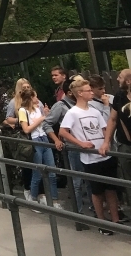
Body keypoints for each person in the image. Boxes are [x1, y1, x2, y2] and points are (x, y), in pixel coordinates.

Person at [60, 77, 121, 234]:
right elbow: (62, 131)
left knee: (111, 189)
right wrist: (80, 143)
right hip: (91, 158)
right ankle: (102, 223)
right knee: (97, 191)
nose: (91, 92)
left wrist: (106, 143)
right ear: (80, 93)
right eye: (88, 90)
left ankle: (116, 221)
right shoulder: (73, 112)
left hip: (105, 154)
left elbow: (104, 128)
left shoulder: (94, 111)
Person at [47, 76, 91, 215]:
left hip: (87, 146)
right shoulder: (61, 106)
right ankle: (78, 213)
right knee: (77, 180)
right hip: (73, 148)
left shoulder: (84, 104)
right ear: (72, 92)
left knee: (90, 178)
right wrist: (56, 140)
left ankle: (93, 208)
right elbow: (47, 124)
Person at [17, 83, 61, 207]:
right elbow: (26, 129)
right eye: (35, 97)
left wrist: (46, 115)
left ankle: (55, 199)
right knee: (37, 172)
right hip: (34, 141)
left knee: (51, 171)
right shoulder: (22, 111)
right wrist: (40, 119)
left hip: (44, 138)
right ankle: (33, 198)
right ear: (30, 98)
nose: (37, 99)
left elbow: (44, 122)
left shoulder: (38, 109)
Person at [103, 69, 131, 218]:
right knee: (128, 179)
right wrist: (106, 142)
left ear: (128, 81)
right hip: (125, 144)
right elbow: (113, 119)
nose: (118, 80)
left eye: (120, 78)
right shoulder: (119, 96)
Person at [4, 78, 35, 198]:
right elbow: (8, 118)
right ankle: (28, 189)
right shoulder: (14, 102)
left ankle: (39, 192)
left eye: (28, 87)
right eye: (23, 87)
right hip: (23, 134)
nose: (26, 89)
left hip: (36, 134)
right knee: (27, 164)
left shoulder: (34, 99)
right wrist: (22, 119)